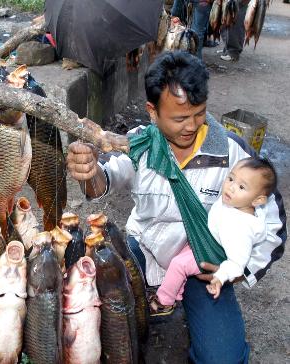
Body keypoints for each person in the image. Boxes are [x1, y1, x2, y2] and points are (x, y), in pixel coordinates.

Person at [66, 51, 286, 363]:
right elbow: (105, 179)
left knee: (223, 358)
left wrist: (237, 270)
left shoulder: (234, 156)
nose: (192, 126)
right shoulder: (138, 143)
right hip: (143, 252)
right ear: (152, 112)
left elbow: (274, 224)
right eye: (180, 118)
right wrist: (89, 172)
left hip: (201, 267)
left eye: (199, 114)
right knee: (88, 317)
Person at [148, 156, 277, 316]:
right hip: (206, 241)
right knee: (177, 255)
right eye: (231, 178)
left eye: (242, 187)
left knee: (178, 264)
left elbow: (237, 264)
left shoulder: (242, 229)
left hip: (213, 255)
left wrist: (220, 277)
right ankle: (177, 291)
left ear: (258, 200)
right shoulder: (235, 203)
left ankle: (164, 302)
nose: (231, 187)